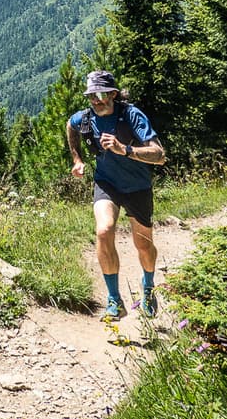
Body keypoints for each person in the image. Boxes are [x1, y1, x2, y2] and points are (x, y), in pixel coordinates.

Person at [67, 70, 165, 321]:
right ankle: (114, 300)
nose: (96, 101)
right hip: (106, 183)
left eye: (101, 95)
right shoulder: (86, 118)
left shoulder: (131, 115)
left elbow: (159, 155)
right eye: (91, 96)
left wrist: (126, 150)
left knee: (143, 244)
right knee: (103, 230)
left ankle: (149, 286)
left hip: (137, 187)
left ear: (113, 93)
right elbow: (70, 125)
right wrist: (77, 159)